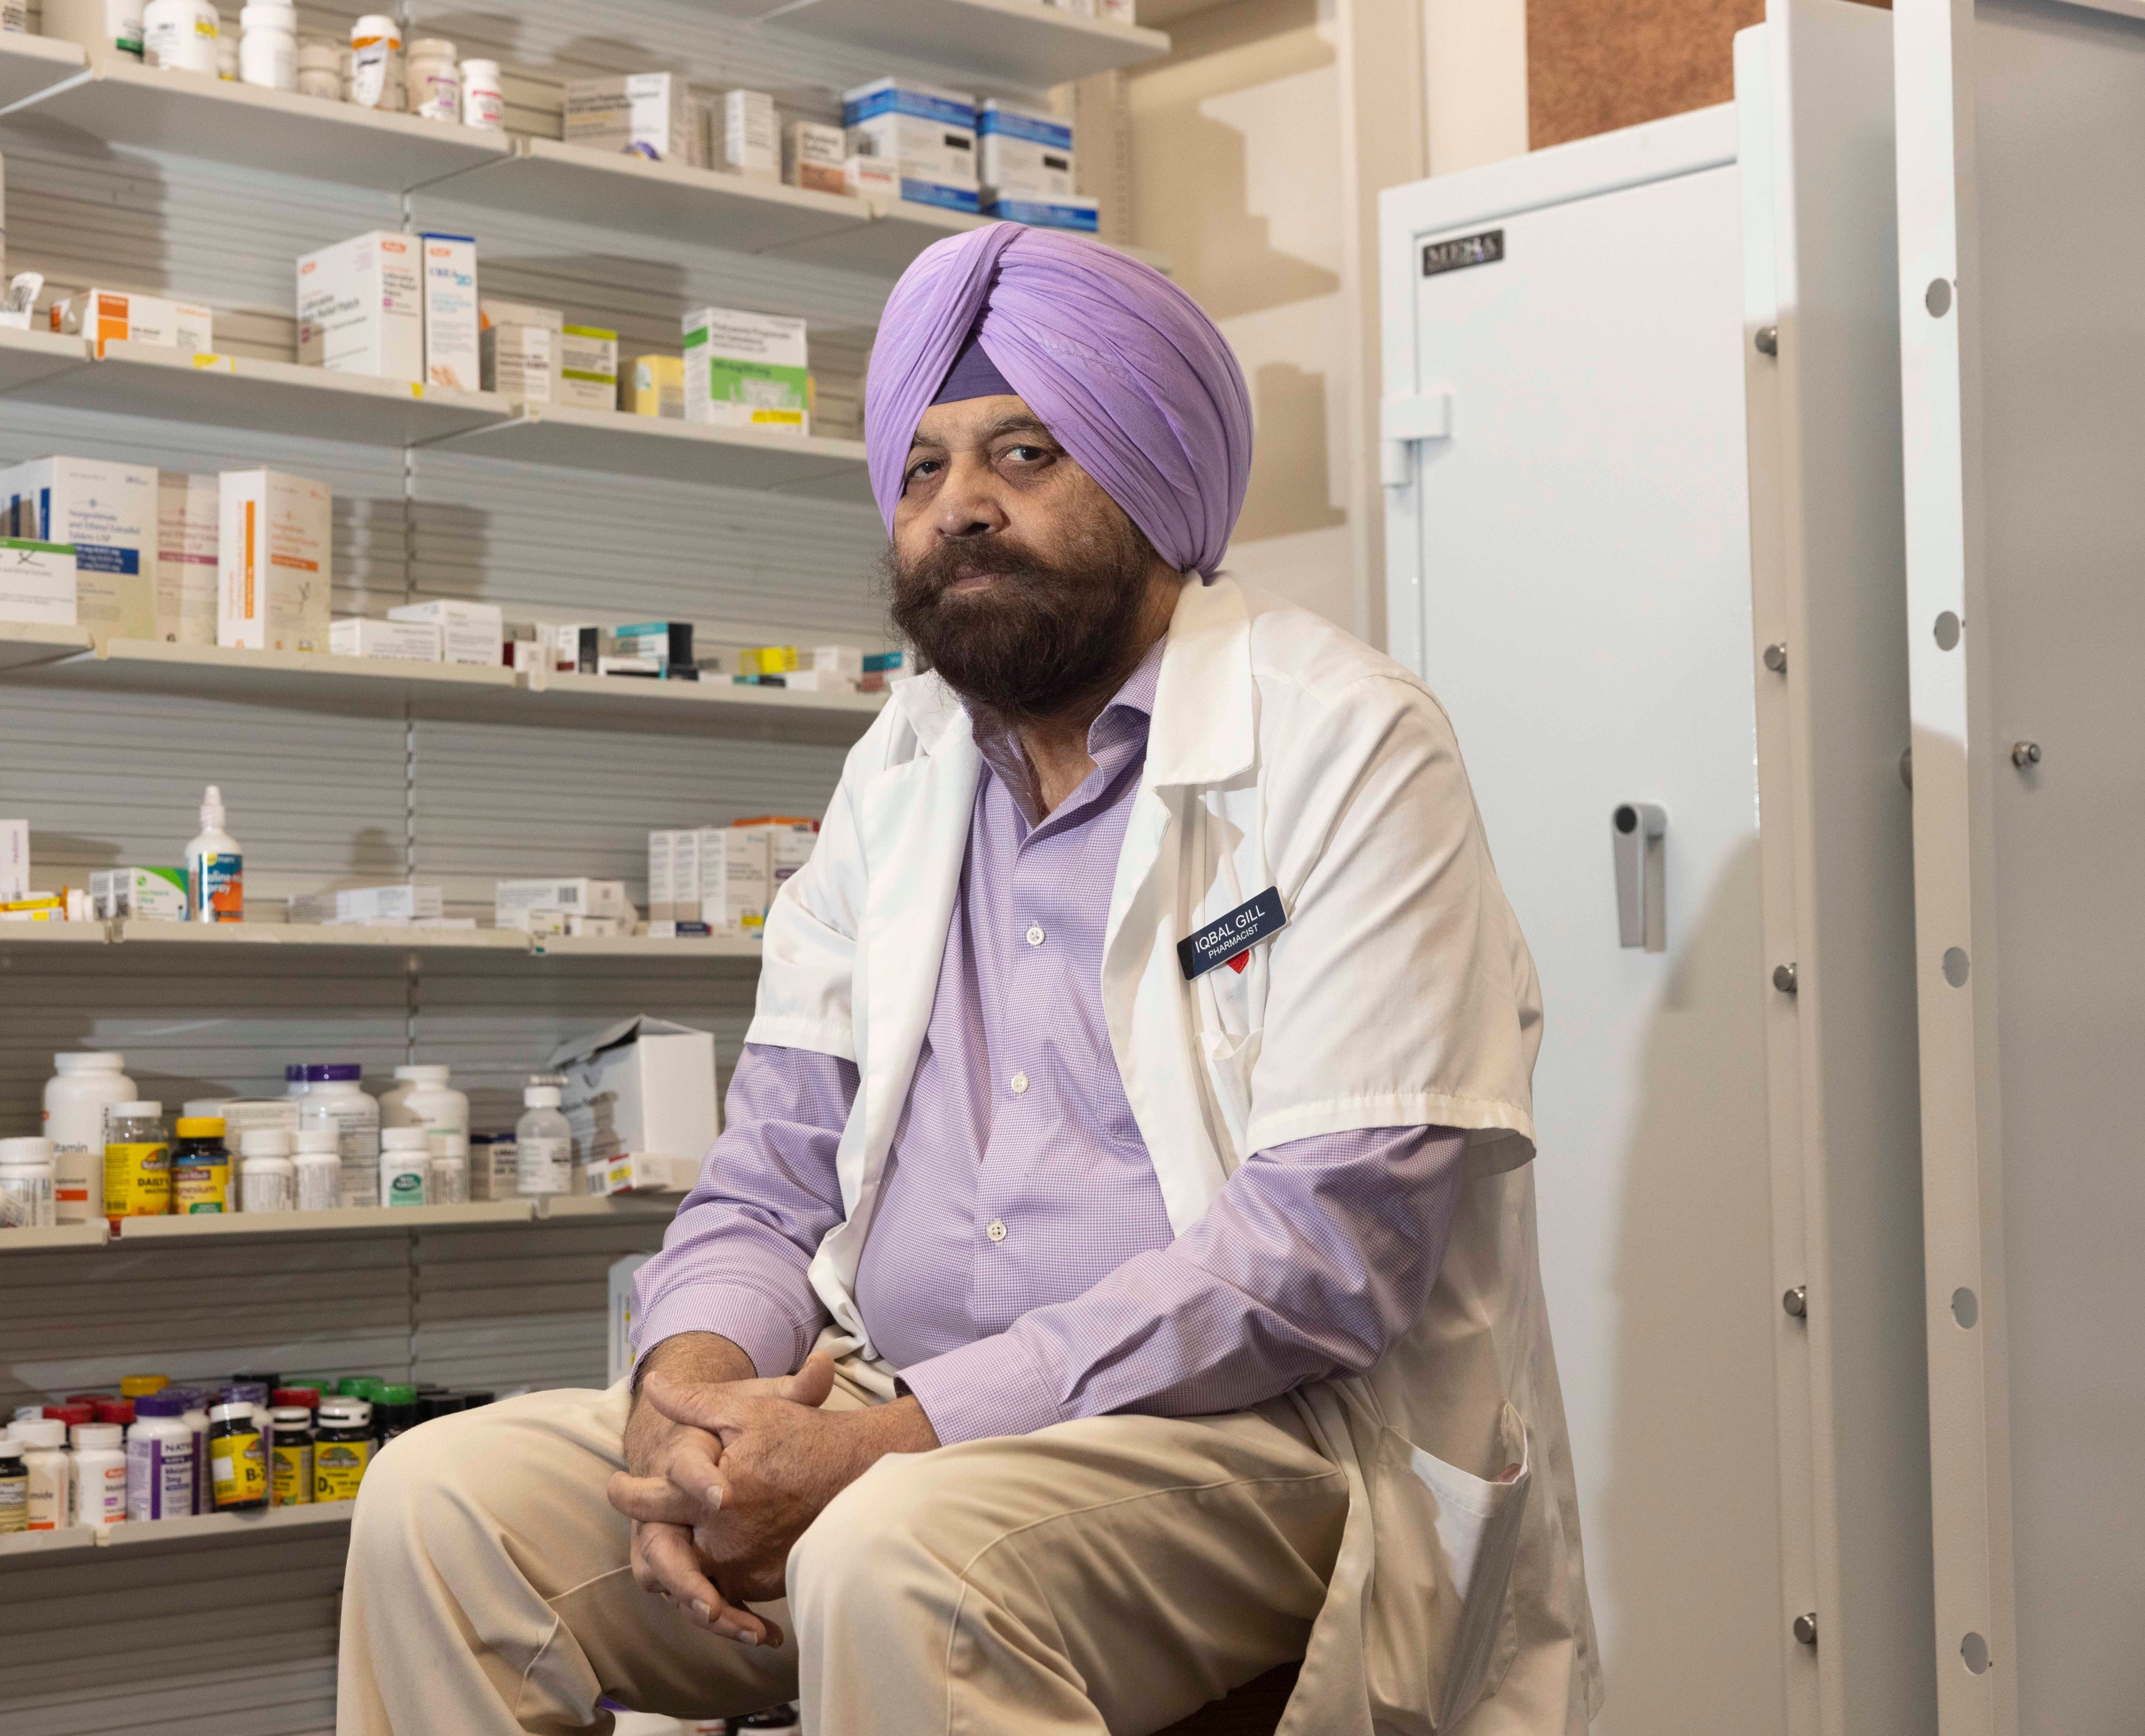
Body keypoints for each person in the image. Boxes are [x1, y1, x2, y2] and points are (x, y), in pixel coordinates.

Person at [338, 223, 1597, 1736]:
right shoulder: (903, 764)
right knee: (439, 1501)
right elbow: (771, 1168)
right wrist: (694, 1399)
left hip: (1248, 1441)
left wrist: (905, 1443)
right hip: (888, 1402)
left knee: (897, 1542)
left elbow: (1323, 1251)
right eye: (924, 470)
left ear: (1148, 474)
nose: (962, 509)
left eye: (1025, 453)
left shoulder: (1347, 743)